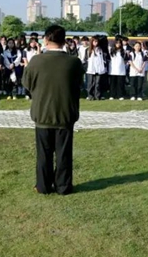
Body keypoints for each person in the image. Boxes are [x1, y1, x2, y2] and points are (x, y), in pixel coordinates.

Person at [22, 25, 84, 196]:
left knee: (44, 154)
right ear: (64, 41)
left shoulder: (36, 61)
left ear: (46, 39)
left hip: (42, 113)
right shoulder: (74, 62)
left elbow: (27, 84)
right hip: (65, 113)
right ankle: (63, 186)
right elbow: (78, 84)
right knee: (64, 153)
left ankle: (43, 186)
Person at [85, 36, 106, 101]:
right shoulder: (88, 50)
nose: (95, 43)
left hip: (99, 69)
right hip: (91, 69)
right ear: (92, 42)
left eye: (97, 41)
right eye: (94, 41)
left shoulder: (100, 50)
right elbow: (86, 59)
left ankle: (97, 96)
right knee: (90, 83)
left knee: (98, 83)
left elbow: (103, 59)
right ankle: (90, 95)